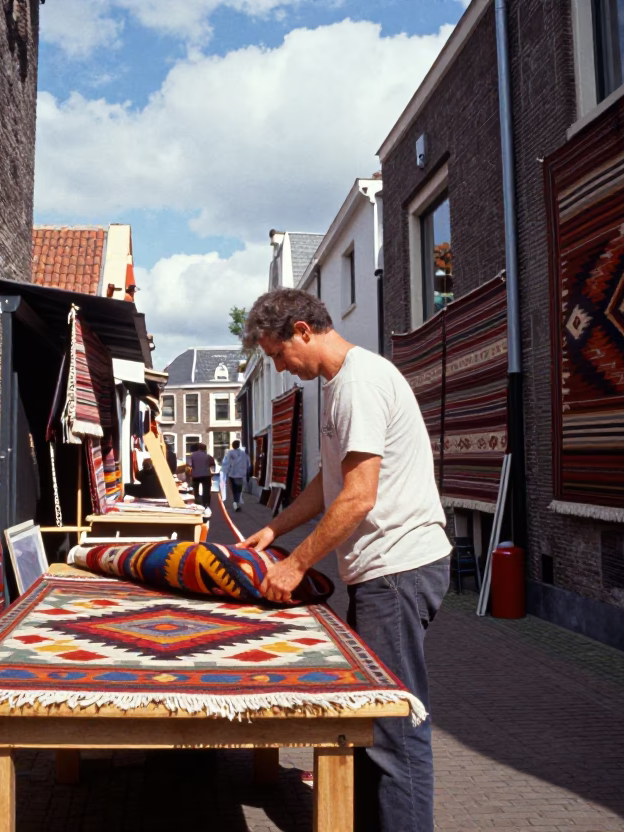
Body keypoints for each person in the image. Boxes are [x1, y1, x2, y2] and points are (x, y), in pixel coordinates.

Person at [240, 288, 450, 832]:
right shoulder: (337, 387)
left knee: (392, 727)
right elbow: (328, 484)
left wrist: (297, 564)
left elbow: (358, 497)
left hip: (398, 571)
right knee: (367, 717)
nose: (280, 367)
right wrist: (273, 527)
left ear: (303, 332)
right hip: (384, 573)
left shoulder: (358, 383)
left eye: (279, 354)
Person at [221, 439, 250, 511]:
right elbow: (248, 463)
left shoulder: (230, 453)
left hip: (232, 474)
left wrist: (225, 472)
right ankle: (236, 503)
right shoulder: (243, 453)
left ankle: (235, 502)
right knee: (238, 490)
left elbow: (226, 463)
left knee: (234, 489)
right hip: (241, 474)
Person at [187, 442, 217, 507]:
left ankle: (197, 501)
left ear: (198, 448)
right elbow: (212, 465)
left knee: (196, 489)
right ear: (205, 449)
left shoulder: (193, 455)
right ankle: (206, 503)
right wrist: (212, 473)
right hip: (206, 475)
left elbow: (189, 465)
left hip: (195, 475)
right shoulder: (208, 456)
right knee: (206, 489)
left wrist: (190, 472)